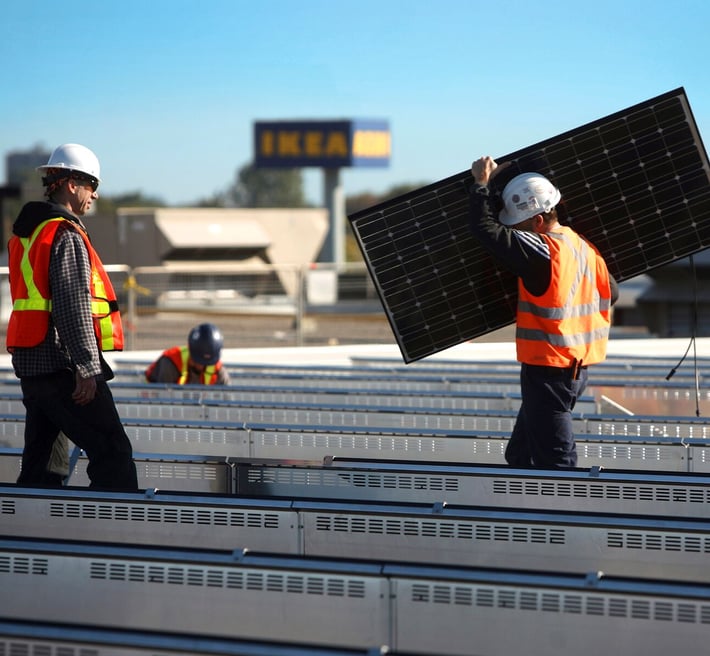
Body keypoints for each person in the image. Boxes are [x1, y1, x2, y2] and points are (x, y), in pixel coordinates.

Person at [468, 156, 618, 468]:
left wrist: (481, 185)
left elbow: (484, 230)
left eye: (520, 225)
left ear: (538, 220)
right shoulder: (586, 249)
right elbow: (612, 293)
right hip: (576, 369)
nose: (518, 233)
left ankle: (566, 513)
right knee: (520, 455)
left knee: (557, 462)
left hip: (549, 371)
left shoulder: (543, 249)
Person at [6, 143, 139, 490]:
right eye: (92, 184)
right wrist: (87, 367)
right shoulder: (64, 234)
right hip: (62, 366)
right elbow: (72, 305)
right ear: (70, 184)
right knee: (113, 452)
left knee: (44, 465)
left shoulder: (26, 235)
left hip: (33, 365)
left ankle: (32, 536)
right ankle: (111, 535)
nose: (95, 194)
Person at [145, 322, 230, 385]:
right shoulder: (171, 362)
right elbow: (162, 399)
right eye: (198, 361)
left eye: (206, 363)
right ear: (190, 350)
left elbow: (227, 402)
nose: (201, 366)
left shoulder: (218, 370)